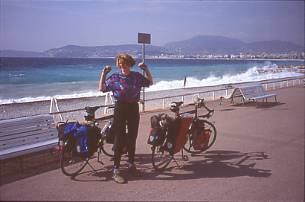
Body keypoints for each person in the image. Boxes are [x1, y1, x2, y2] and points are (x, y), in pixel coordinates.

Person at [98, 53, 153, 184]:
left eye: (125, 63)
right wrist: (103, 73)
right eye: (120, 64)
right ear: (118, 65)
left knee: (132, 137)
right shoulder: (115, 78)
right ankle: (116, 170)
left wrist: (146, 69)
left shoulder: (137, 76)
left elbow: (150, 82)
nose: (123, 66)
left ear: (130, 64)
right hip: (120, 108)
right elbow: (102, 89)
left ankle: (131, 165)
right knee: (119, 137)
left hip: (133, 107)